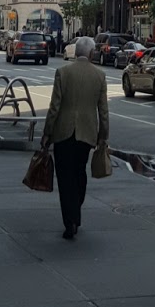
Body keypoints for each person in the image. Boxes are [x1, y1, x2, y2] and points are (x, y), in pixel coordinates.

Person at [42, 35, 109, 239]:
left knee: (64, 177)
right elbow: (103, 111)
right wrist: (103, 136)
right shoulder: (100, 75)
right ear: (90, 53)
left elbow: (54, 107)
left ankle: (70, 219)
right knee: (80, 171)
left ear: (76, 52)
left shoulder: (62, 73)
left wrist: (47, 133)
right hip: (87, 134)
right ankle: (76, 207)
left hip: (63, 132)